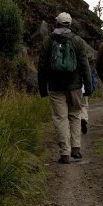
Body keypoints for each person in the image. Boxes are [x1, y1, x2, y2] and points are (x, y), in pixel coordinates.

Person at [38, 12, 92, 164]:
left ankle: (64, 153)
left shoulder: (48, 41)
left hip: (55, 87)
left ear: (57, 23)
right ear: (70, 24)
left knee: (60, 118)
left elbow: (42, 66)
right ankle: (76, 148)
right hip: (75, 86)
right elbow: (85, 66)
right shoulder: (78, 41)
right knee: (75, 115)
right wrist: (88, 87)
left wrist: (42, 88)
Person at [80, 61, 98, 134]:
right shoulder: (86, 64)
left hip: (73, 87)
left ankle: (76, 123)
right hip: (84, 88)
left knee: (74, 108)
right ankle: (84, 119)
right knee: (84, 106)